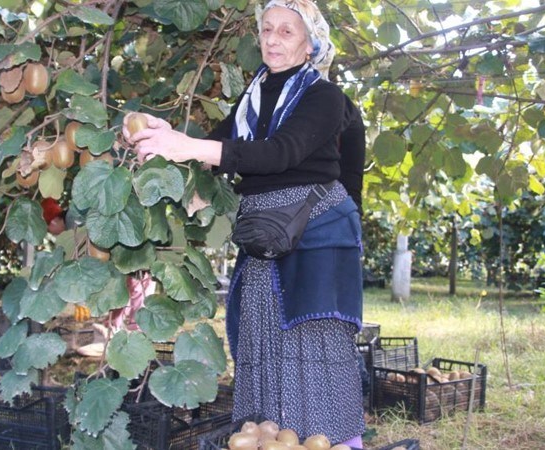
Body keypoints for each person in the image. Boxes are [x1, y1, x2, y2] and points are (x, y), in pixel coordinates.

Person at [123, 1, 365, 446]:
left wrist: (188, 147)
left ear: (310, 44)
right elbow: (220, 145)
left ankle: (335, 440)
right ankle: (267, 436)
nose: (272, 39)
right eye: (267, 29)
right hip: (265, 230)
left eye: (287, 32)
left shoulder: (324, 98)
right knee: (260, 334)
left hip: (317, 230)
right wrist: (164, 138)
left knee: (314, 339)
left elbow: (280, 153)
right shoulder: (254, 94)